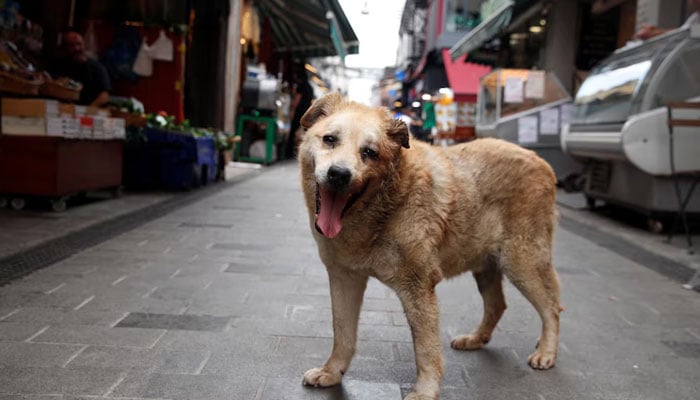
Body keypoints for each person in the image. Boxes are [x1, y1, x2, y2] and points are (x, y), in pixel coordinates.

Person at [54, 30, 111, 107]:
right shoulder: (59, 65)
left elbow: (104, 96)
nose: (77, 48)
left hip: (88, 111)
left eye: (79, 44)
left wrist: (88, 110)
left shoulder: (97, 68)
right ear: (65, 47)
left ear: (84, 45)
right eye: (72, 45)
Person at [285, 68, 314, 159]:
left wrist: (292, 110)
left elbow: (296, 101)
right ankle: (307, 153)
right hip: (307, 113)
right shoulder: (310, 87)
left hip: (299, 113)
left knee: (293, 132)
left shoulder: (301, 86)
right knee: (307, 134)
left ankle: (288, 153)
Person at [634, 0, 699, 40]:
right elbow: (681, 33)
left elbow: (690, 32)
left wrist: (655, 33)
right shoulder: (695, 17)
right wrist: (654, 32)